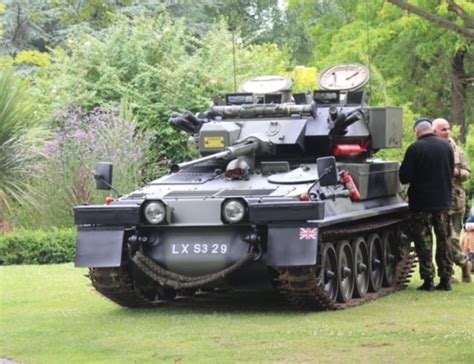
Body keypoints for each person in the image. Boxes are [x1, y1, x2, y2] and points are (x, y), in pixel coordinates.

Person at [399, 118, 454, 291]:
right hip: (443, 203)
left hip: (421, 204)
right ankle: (446, 279)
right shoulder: (446, 147)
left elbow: (404, 177)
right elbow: (451, 171)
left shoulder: (415, 149)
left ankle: (428, 280)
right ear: (431, 129)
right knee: (444, 241)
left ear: (417, 132)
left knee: (424, 242)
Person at [432, 118, 472, 283]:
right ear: (434, 132)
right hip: (438, 199)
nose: (447, 131)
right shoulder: (432, 149)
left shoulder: (458, 151)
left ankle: (463, 263)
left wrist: (456, 172)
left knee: (452, 238)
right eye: (443, 129)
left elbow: (467, 173)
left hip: (456, 200)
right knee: (442, 238)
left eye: (448, 129)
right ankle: (449, 273)